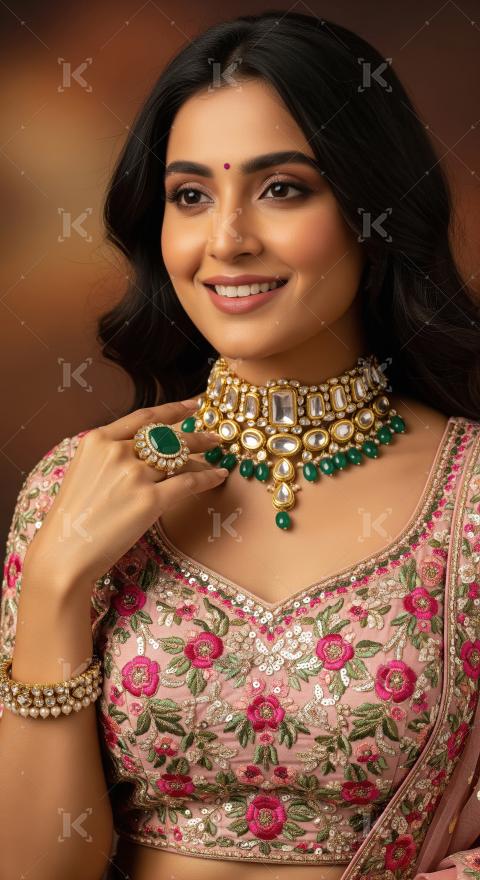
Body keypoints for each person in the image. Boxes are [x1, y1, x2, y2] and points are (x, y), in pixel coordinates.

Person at [1, 10, 480, 880]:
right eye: (190, 196)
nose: (225, 241)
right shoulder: (78, 489)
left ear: (373, 210)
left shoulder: (473, 495)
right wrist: (58, 583)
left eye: (283, 188)